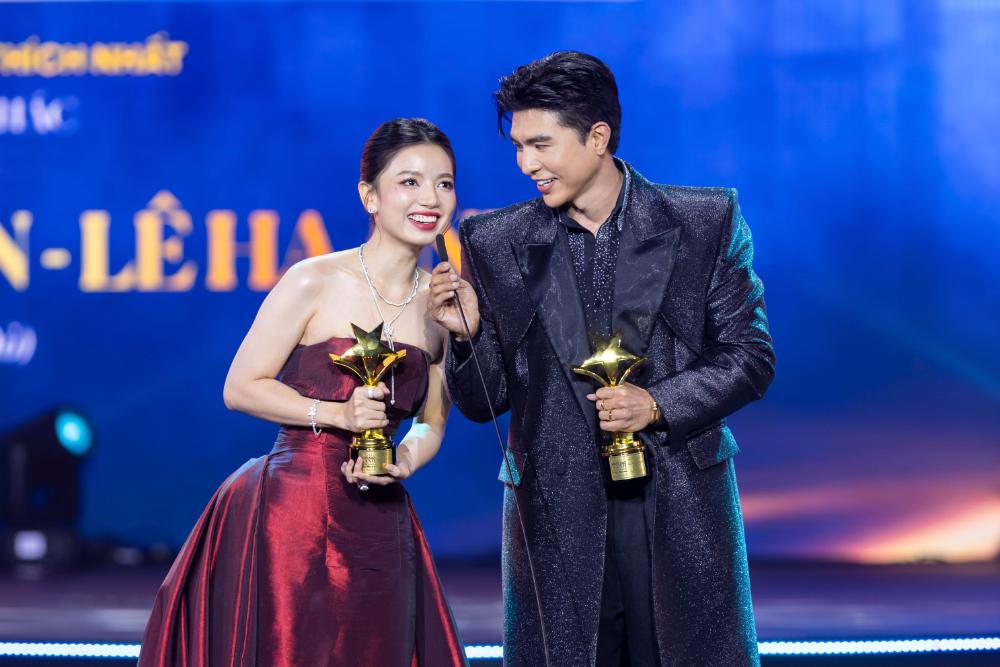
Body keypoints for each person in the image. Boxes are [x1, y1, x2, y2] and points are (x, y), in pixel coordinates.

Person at [429, 52, 775, 666]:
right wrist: (465, 337)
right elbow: (484, 403)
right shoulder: (495, 240)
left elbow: (750, 356)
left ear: (597, 137)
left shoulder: (702, 220)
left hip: (676, 498)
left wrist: (656, 403)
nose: (526, 164)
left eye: (541, 145)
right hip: (555, 510)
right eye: (518, 147)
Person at [140, 118, 467, 667]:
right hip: (291, 513)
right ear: (370, 196)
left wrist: (404, 461)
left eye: (445, 183)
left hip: (381, 517)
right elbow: (240, 387)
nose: (430, 199)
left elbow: (432, 422)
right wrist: (338, 414)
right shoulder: (314, 279)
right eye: (409, 182)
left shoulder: (441, 304)